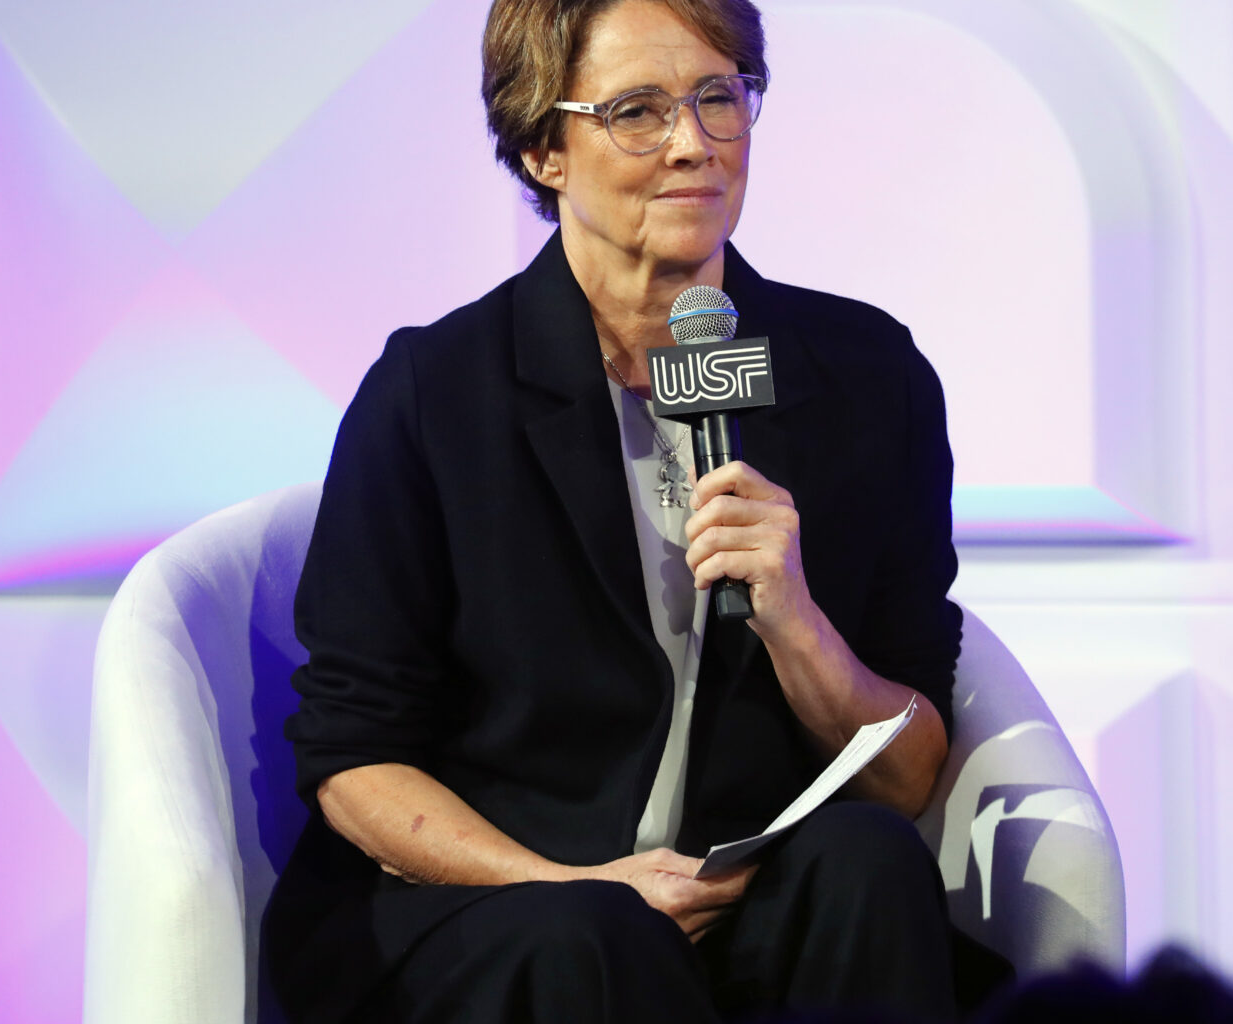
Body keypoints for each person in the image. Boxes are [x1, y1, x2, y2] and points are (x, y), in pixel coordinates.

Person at [261, 0, 969, 1019]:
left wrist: (798, 624)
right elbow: (353, 756)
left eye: (719, 97)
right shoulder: (436, 393)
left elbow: (905, 775)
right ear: (544, 149)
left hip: (734, 891)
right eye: (637, 111)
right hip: (504, 904)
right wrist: (568, 885)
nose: (693, 143)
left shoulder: (866, 378)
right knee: (592, 939)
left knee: (869, 862)